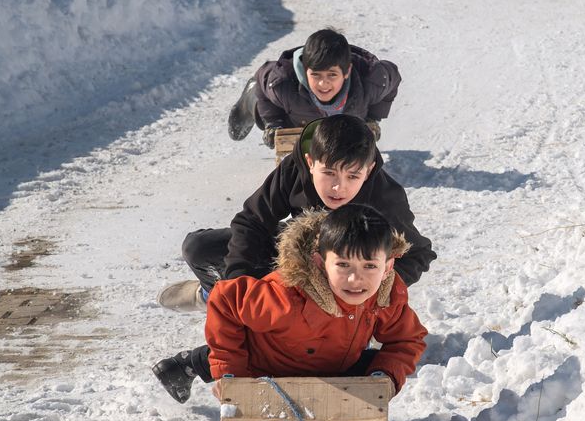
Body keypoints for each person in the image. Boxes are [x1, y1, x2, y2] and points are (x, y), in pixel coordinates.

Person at [157, 114, 436, 311]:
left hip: (346, 276)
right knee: (199, 246)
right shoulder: (294, 170)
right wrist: (237, 285)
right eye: (328, 173)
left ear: (368, 170)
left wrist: (372, 290)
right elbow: (253, 221)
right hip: (303, 259)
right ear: (310, 162)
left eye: (353, 176)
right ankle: (212, 296)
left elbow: (418, 253)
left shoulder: (385, 196)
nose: (339, 187)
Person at [153, 204, 427, 403]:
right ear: (321, 262)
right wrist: (232, 375)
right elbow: (226, 299)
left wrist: (385, 376)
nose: (356, 279)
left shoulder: (385, 297)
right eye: (343, 265)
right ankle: (182, 366)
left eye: (370, 266)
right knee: (237, 349)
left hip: (333, 367)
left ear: (388, 266)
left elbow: (406, 340)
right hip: (266, 367)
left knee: (370, 364)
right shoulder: (286, 295)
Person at [227, 28, 400, 148]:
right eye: (316, 75)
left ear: (346, 72)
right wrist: (273, 123)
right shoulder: (282, 83)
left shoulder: (372, 80)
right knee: (263, 103)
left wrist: (373, 117)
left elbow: (394, 77)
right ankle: (249, 100)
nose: (323, 84)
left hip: (342, 118)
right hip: (294, 115)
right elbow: (262, 75)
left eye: (332, 75)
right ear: (305, 70)